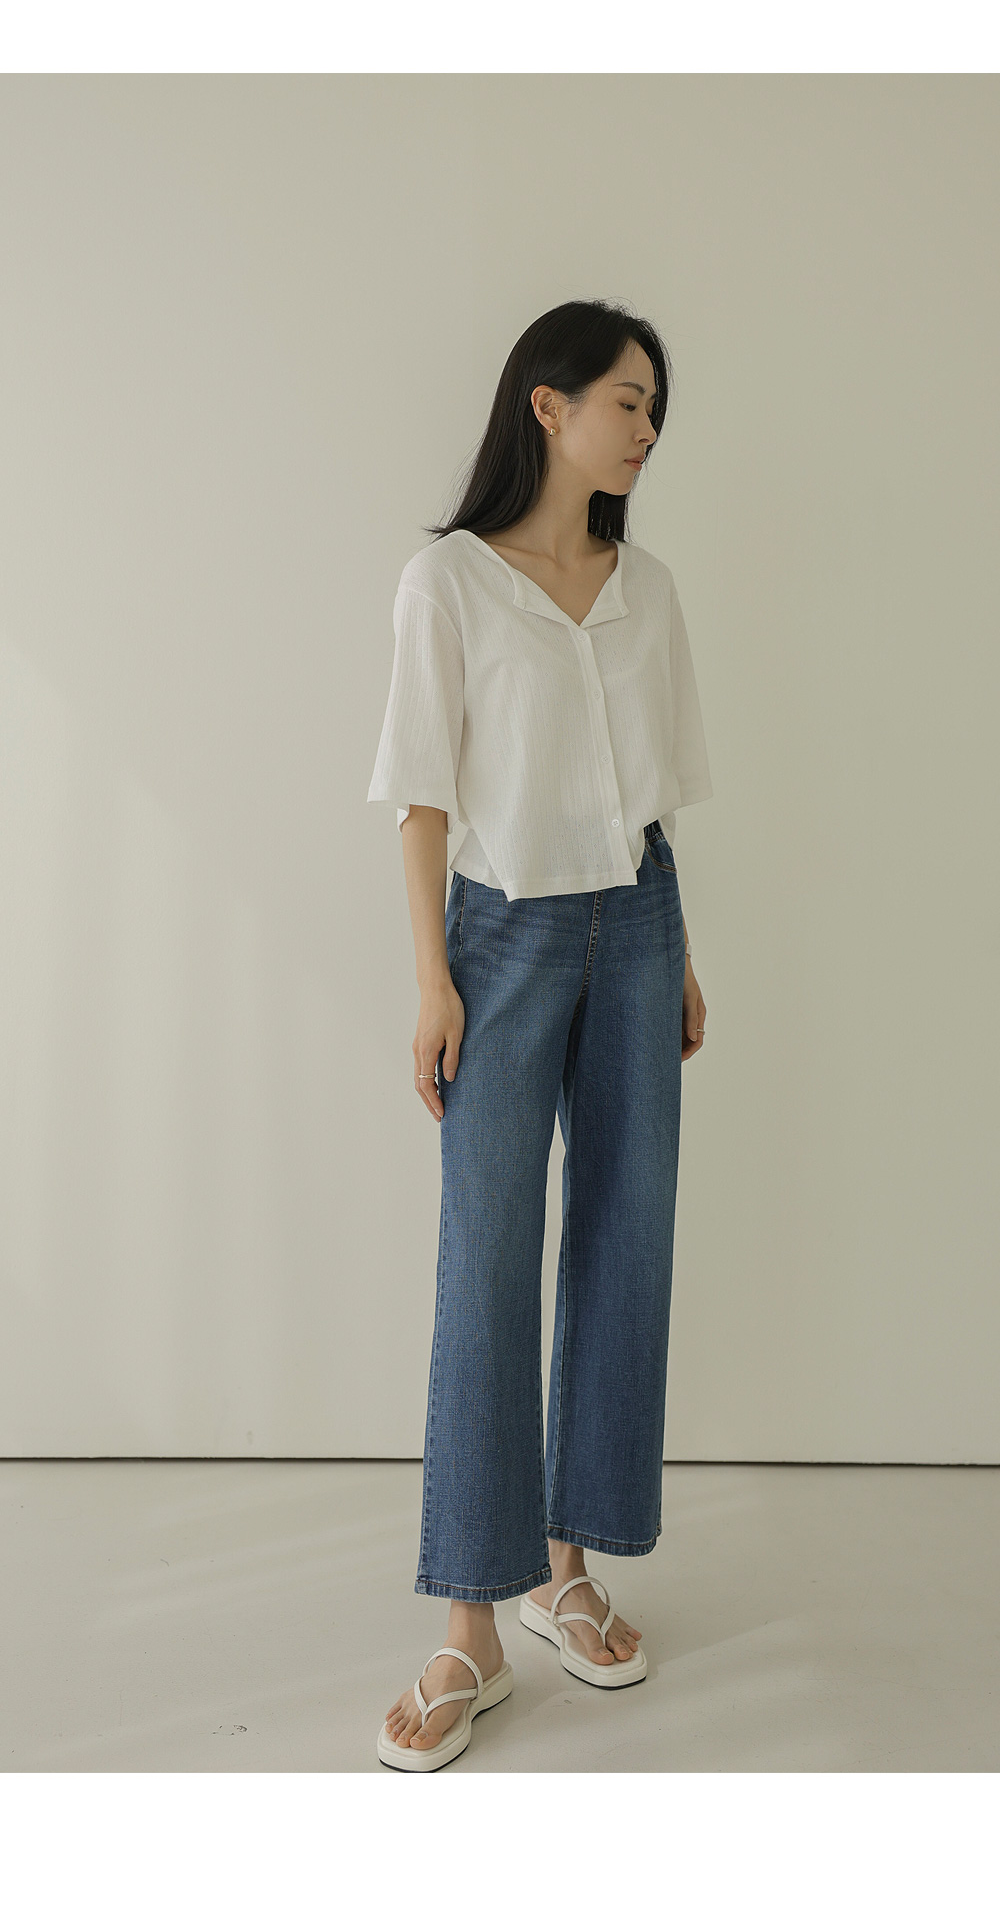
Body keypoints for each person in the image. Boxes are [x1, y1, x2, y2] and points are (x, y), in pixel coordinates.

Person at [366, 297, 713, 1771]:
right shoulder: (447, 583)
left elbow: (655, 799)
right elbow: (421, 793)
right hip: (500, 938)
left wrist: (680, 955)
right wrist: (431, 981)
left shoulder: (650, 590)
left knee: (625, 1239)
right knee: (489, 1260)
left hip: (637, 923)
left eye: (656, 408)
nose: (648, 429)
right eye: (628, 401)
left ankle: (568, 1568)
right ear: (548, 406)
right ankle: (471, 1626)